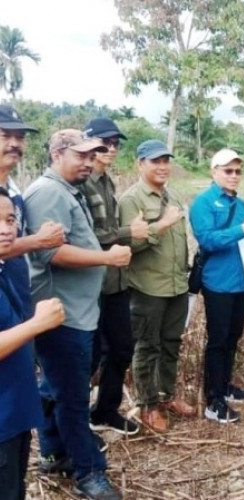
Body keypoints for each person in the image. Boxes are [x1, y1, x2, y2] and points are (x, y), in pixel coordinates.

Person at [24, 129, 131, 499]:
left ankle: (54, 450)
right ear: (57, 153)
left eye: (92, 156)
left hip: (75, 310)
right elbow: (49, 253)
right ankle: (88, 473)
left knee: (55, 385)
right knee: (71, 395)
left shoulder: (67, 189)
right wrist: (106, 257)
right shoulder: (49, 193)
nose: (88, 162)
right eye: (80, 155)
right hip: (62, 314)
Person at [119, 139, 193, 433]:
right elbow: (127, 246)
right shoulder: (132, 199)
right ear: (140, 164)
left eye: (166, 161)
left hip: (175, 285)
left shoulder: (172, 195)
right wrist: (160, 224)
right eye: (155, 161)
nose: (163, 167)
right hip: (148, 288)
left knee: (171, 343)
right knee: (147, 347)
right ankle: (148, 405)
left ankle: (167, 396)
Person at [81, 117, 147, 436]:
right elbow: (86, 234)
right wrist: (127, 232)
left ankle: (105, 411)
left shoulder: (107, 181)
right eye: (105, 142)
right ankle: (71, 425)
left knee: (122, 347)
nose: (110, 148)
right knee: (88, 356)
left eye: (115, 143)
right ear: (89, 143)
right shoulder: (81, 182)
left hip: (116, 281)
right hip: (92, 283)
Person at [0, 186, 65, 500]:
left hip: (15, 414)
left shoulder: (6, 270)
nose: (5, 229)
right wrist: (37, 324)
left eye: (10, 220)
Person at [190, 148, 244, 424]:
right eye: (227, 170)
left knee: (233, 337)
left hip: (240, 281)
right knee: (218, 341)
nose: (233, 176)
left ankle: (225, 385)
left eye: (237, 171)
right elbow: (208, 239)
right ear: (214, 172)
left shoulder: (241, 204)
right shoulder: (203, 203)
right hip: (217, 283)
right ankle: (213, 400)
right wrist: (242, 229)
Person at [0, 104, 64, 318]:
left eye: (20, 138)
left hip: (17, 292)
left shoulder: (14, 188)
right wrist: (38, 241)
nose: (14, 144)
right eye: (5, 135)